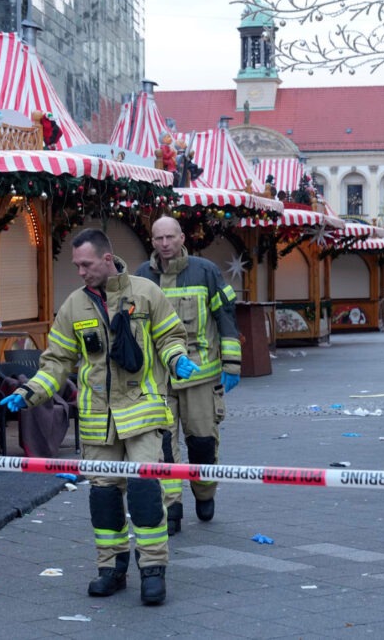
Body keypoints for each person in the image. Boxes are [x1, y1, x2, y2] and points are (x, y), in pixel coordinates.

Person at [0, 228, 199, 606]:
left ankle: (153, 571)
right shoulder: (74, 306)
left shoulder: (146, 293)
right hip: (98, 421)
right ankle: (112, 570)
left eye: (86, 264)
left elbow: (170, 337)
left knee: (144, 493)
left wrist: (177, 359)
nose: (80, 272)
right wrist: (28, 393)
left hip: (143, 413)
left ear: (107, 259)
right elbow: (56, 362)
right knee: (104, 498)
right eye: (76, 265)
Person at [135, 216, 241, 536]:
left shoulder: (205, 271)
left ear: (182, 238)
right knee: (164, 446)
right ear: (152, 241)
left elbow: (226, 318)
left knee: (203, 443)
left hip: (201, 379)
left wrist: (232, 364)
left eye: (170, 237)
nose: (165, 244)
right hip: (159, 379)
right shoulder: (142, 277)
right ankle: (172, 508)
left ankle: (205, 492)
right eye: (158, 238)